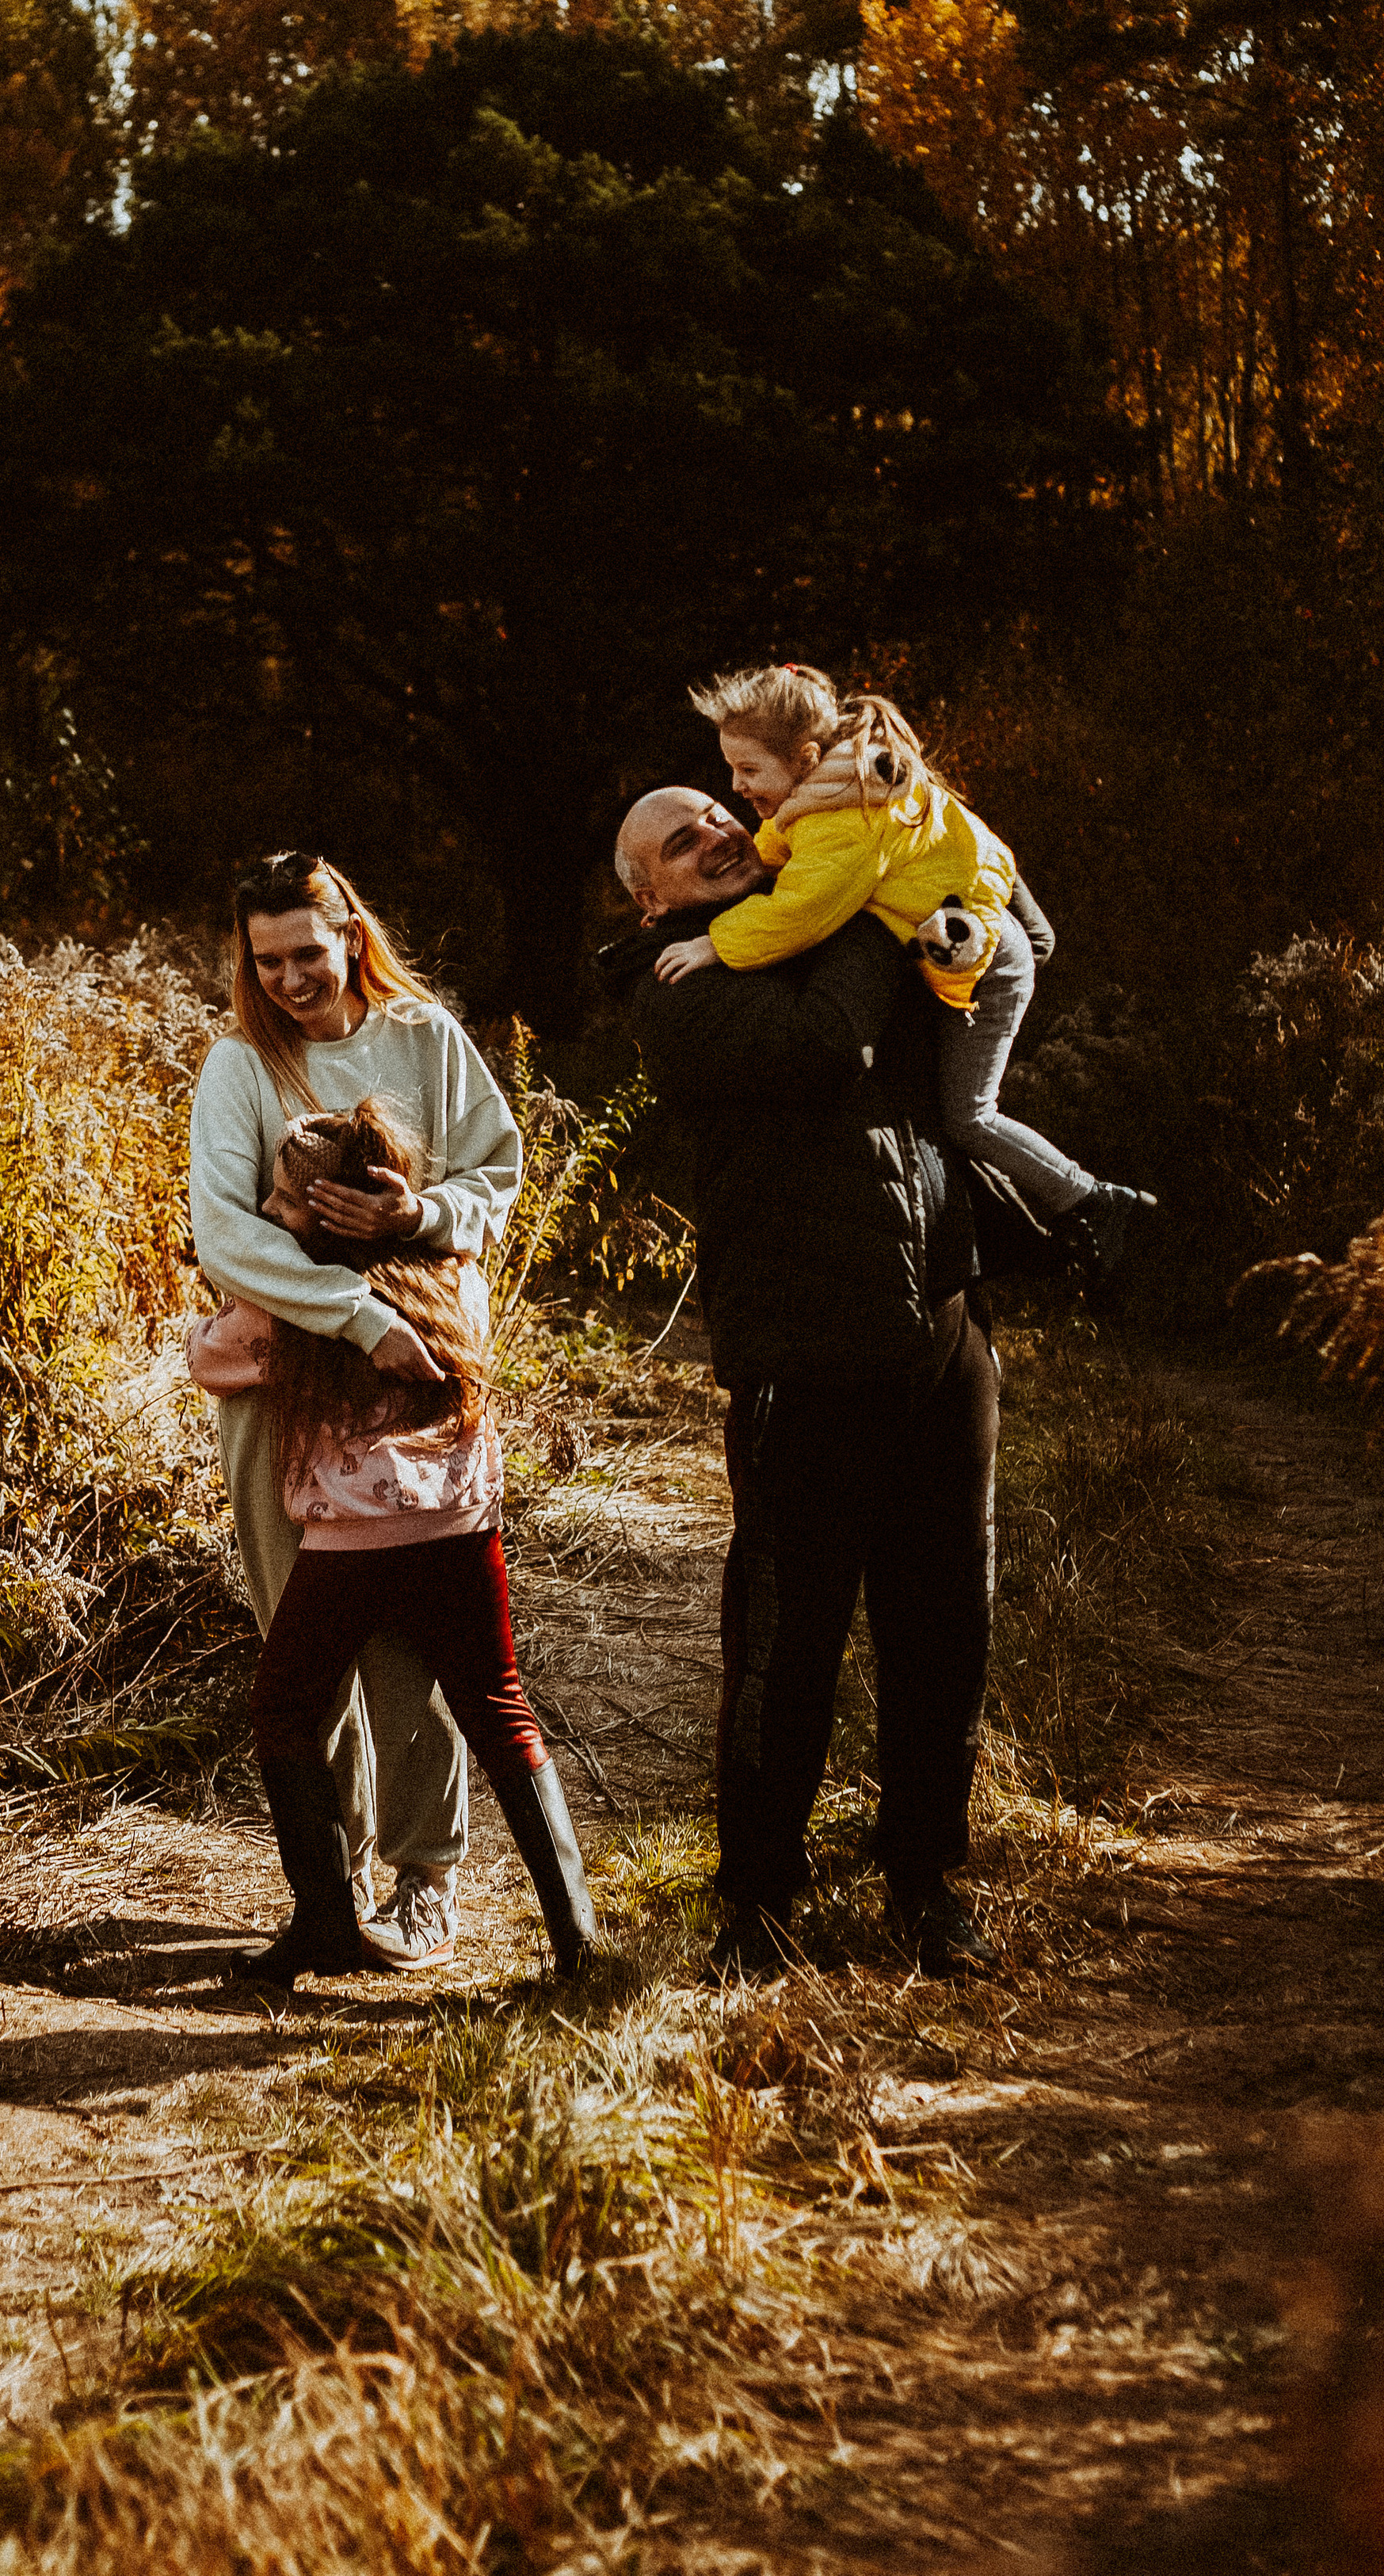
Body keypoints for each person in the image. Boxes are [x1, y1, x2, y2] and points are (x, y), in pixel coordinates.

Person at [608, 785, 1002, 1980]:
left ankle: (924, 1882)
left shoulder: (820, 908)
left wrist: (931, 901)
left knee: (945, 1622)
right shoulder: (676, 984)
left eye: (719, 813)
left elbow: (981, 955)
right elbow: (828, 1041)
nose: (719, 835)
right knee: (787, 1642)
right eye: (683, 842)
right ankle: (758, 1904)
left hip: (940, 1324)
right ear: (651, 898)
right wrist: (882, 909)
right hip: (804, 1351)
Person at [189, 849, 523, 1975]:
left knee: (410, 1644)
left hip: (417, 1381)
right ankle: (328, 1892)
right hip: (282, 1384)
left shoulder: (424, 1040)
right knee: (301, 1640)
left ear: (350, 934)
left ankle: (426, 1881)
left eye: (307, 953)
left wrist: (414, 1218)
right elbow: (224, 1232)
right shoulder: (242, 1065)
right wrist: (351, 1314)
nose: (289, 979)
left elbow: (497, 1175)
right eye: (265, 960)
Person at [186, 1099, 598, 1983]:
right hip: (460, 1533)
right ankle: (578, 1941)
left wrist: (211, 1318)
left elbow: (213, 1361)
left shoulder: (295, 1302)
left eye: (285, 1202)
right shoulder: (452, 1276)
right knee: (501, 1707)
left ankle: (326, 1921)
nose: (268, 1213)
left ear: (331, 1212)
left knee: (285, 1706)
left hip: (352, 1545)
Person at [651, 663, 1153, 1284]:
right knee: (940, 1108)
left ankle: (1092, 1200)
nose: (736, 784)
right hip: (975, 930)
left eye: (748, 770)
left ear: (804, 758)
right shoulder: (842, 785)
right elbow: (781, 846)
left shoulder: (847, 820)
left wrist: (716, 943)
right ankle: (1041, 1239)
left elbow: (802, 910)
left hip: (990, 962)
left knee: (969, 1116)